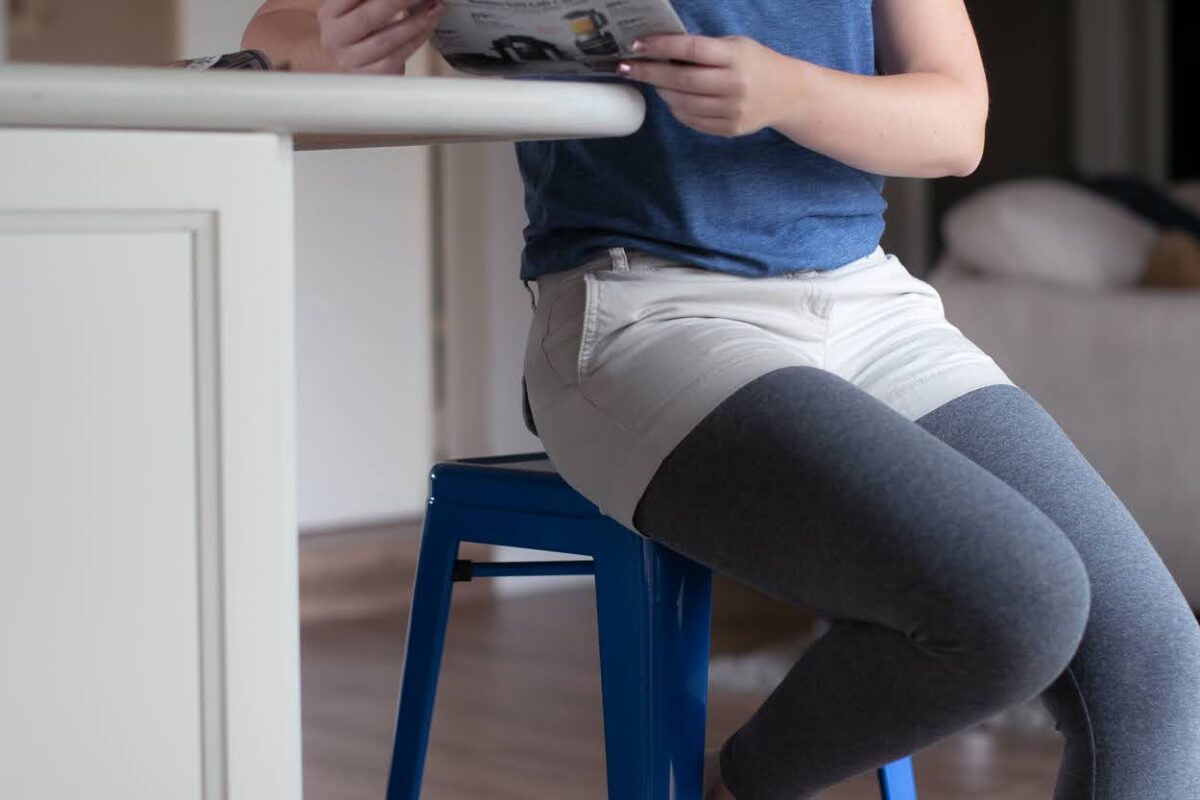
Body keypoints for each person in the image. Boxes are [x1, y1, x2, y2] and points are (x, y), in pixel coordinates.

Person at [243, 2, 1200, 798]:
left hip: (868, 304)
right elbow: (276, 35)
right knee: (1014, 598)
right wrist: (338, 35)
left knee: (1154, 662)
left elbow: (956, 124)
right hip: (644, 313)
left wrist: (787, 92)